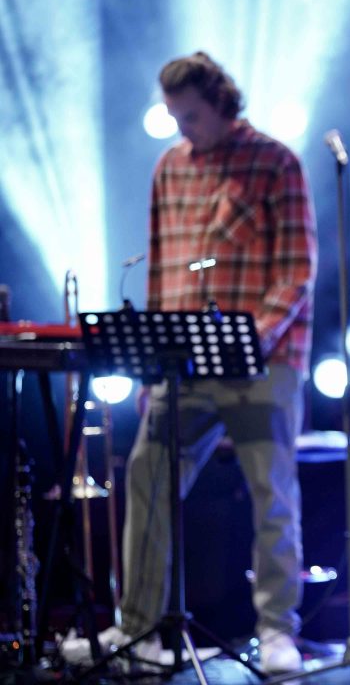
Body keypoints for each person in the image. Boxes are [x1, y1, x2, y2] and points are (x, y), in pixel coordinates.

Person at [63, 52, 317, 673]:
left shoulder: (274, 161)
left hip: (263, 363)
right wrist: (154, 363)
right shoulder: (169, 167)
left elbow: (296, 270)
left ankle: (277, 631)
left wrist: (248, 339)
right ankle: (140, 630)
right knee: (147, 477)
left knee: (271, 495)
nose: (182, 127)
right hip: (183, 366)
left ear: (222, 104)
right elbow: (161, 271)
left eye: (192, 115)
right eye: (175, 116)